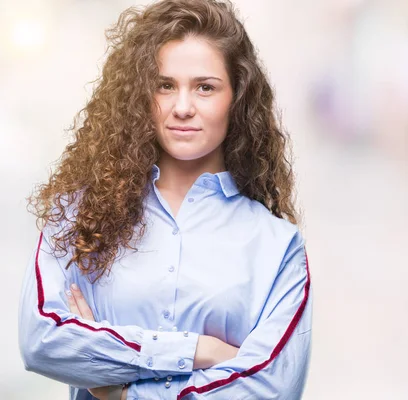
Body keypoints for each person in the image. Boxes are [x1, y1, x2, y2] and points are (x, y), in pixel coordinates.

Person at [18, 0, 313, 399]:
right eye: (165, 85)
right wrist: (197, 351)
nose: (183, 107)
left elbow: (269, 389)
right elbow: (43, 340)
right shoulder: (77, 215)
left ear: (237, 98)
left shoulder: (277, 246)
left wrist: (121, 392)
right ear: (140, 95)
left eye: (205, 87)